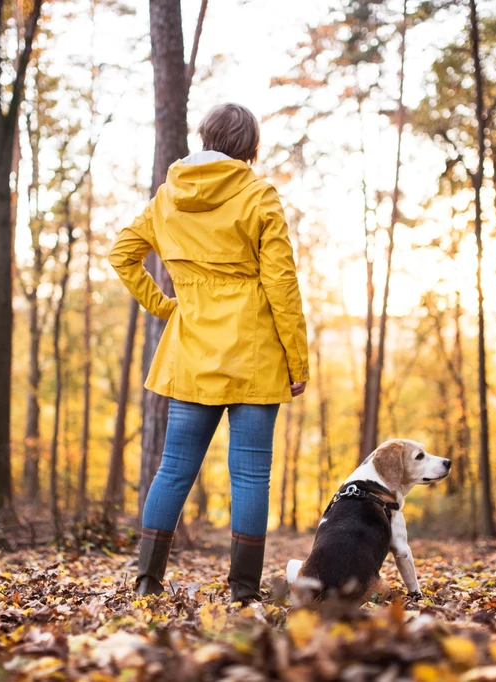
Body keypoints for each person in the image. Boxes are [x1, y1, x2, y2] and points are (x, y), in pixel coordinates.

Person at [108, 102, 310, 603]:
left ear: (204, 137)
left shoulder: (167, 196)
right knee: (249, 475)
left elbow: (122, 254)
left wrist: (165, 306)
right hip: (255, 354)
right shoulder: (259, 195)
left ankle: (146, 583)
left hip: (192, 351)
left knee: (173, 468)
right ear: (251, 148)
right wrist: (297, 361)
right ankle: (242, 591)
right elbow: (281, 284)